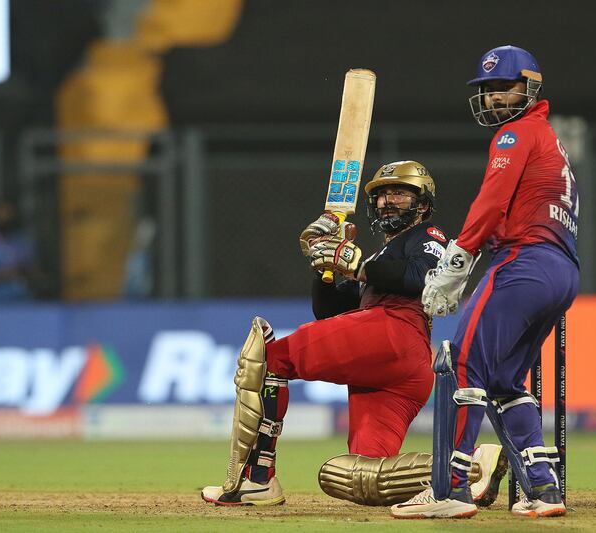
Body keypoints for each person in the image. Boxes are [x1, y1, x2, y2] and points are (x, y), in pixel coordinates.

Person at [201, 161, 506, 507]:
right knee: (363, 476)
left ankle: (257, 479)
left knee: (270, 360)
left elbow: (421, 279)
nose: (388, 201)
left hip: (395, 332)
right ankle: (471, 466)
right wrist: (324, 267)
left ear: (422, 205)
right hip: (396, 363)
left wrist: (354, 262)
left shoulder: (429, 237)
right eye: (381, 195)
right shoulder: (381, 255)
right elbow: (328, 310)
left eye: (399, 194)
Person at [390, 45, 580, 519]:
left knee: (462, 367)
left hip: (522, 263)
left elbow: (492, 201)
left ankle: (449, 490)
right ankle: (542, 488)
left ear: (530, 87)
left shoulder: (516, 135)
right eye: (488, 91)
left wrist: (458, 259)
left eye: (503, 88)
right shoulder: (550, 140)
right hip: (561, 271)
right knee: (505, 379)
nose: (494, 99)